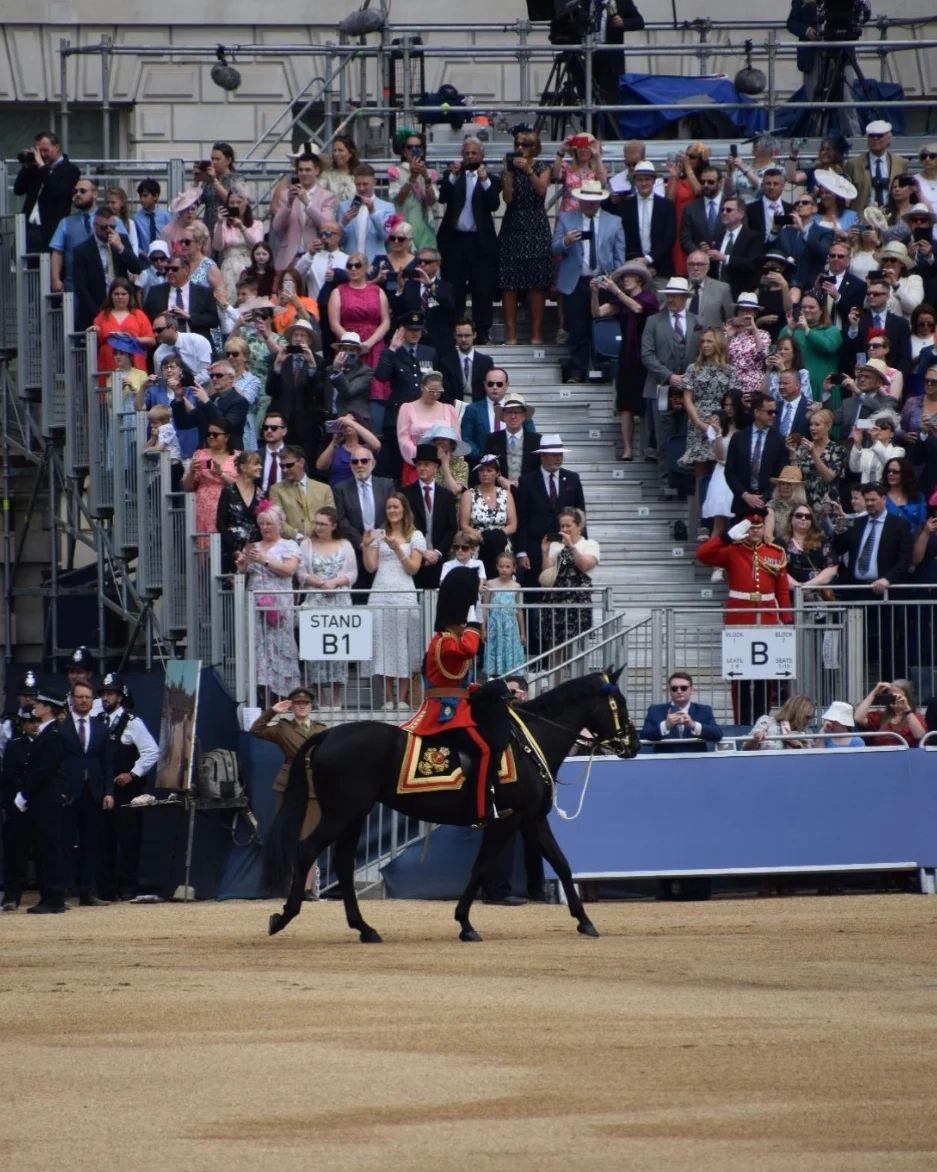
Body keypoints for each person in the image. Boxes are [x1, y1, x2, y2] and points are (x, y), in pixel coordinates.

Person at [403, 566, 512, 824]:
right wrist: (474, 620)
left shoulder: (450, 637)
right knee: (483, 749)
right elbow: (469, 650)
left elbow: (457, 680)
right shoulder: (445, 640)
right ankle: (481, 810)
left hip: (455, 703)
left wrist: (486, 690)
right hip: (444, 713)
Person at [696, 510, 793, 722]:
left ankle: (762, 720)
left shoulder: (775, 552)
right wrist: (727, 536)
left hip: (767, 616)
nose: (755, 531)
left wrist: (786, 619)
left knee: (764, 677)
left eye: (758, 527)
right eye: (750, 527)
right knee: (739, 676)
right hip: (739, 617)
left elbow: (782, 590)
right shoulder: (732, 550)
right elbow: (703, 554)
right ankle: (741, 722)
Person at [250, 689, 327, 892]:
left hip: (314, 786)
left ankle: (307, 887)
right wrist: (272, 711)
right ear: (291, 707)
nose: (302, 706)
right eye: (297, 703)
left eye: (306, 703)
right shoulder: (282, 728)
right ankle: (293, 884)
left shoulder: (322, 729)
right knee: (289, 835)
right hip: (289, 784)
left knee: (310, 838)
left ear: (311, 707)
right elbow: (256, 730)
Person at [552, 176, 625, 383]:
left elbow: (620, 256)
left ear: (600, 201)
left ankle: (602, 369)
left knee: (602, 325)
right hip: (575, 281)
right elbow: (554, 248)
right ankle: (577, 371)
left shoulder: (614, 221)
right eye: (587, 200)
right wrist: (565, 241)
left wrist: (615, 282)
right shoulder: (567, 218)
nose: (591, 204)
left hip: (603, 281)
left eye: (594, 201)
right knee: (576, 328)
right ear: (580, 200)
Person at [97, 674, 160, 903]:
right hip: (105, 788)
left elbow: (152, 751)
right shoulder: (98, 720)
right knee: (104, 839)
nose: (106, 697)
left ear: (120, 697)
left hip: (125, 789)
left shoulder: (132, 722)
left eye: (110, 693)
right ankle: (106, 888)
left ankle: (128, 886)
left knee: (128, 838)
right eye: (104, 693)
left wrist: (133, 773)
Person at [361, 492, 425, 709]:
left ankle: (404, 698)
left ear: (404, 509)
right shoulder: (381, 535)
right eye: (389, 507)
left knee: (404, 645)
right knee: (381, 645)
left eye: (396, 507)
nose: (392, 511)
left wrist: (397, 549)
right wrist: (367, 545)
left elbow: (413, 568)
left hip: (404, 593)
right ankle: (388, 698)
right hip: (380, 592)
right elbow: (371, 567)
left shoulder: (415, 535)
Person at [437, 137, 503, 344]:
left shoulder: (491, 179)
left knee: (482, 287)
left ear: (482, 156)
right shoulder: (453, 175)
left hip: (480, 241)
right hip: (455, 240)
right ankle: (453, 330)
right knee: (453, 287)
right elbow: (443, 198)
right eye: (466, 153)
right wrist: (453, 177)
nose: (470, 157)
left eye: (474, 153)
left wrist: (484, 180)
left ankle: (482, 332)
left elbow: (493, 204)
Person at [591, 261, 659, 461]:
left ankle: (648, 447)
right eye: (623, 278)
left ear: (639, 279)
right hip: (627, 357)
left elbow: (638, 308)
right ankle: (628, 448)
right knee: (625, 406)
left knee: (645, 405)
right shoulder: (622, 301)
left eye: (629, 277)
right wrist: (594, 293)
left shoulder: (649, 298)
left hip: (646, 357)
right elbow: (598, 313)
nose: (625, 280)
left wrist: (615, 290)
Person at [9, 688, 70, 914]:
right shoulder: (46, 733)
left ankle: (54, 897)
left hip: (47, 798)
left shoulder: (53, 734)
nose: (36, 706)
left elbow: (43, 769)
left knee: (49, 847)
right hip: (41, 798)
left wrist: (24, 792)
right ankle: (48, 895)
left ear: (48, 708)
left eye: (40, 704)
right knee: (43, 847)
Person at [235, 502, 301, 702]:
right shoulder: (253, 546)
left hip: (279, 605)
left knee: (281, 645)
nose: (265, 528)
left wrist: (264, 560)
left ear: (280, 524)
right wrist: (241, 566)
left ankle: (284, 693)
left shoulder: (289, 545)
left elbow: (289, 570)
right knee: (257, 646)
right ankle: (261, 691)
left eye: (269, 524)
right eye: (262, 524)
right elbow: (242, 573)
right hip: (255, 603)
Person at [59, 680, 114, 906]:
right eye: (80, 697)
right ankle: (63, 890)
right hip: (68, 792)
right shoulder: (61, 727)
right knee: (65, 843)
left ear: (93, 701)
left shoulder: (101, 728)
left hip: (93, 792)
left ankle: (86, 891)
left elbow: (107, 763)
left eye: (88, 697)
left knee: (91, 843)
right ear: (72, 699)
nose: (84, 701)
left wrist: (108, 791)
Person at [640, 276, 701, 478]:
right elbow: (646, 355)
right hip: (662, 387)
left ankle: (684, 480)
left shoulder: (697, 321)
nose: (671, 299)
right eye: (669, 295)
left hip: (690, 389)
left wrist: (691, 378)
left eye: (675, 296)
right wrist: (669, 376)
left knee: (687, 433)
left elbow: (704, 354)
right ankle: (665, 480)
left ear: (685, 297)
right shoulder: (653, 321)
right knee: (663, 434)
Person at [297, 508, 358, 707]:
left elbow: (352, 573)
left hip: (339, 605)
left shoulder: (345, 544)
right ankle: (322, 700)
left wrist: (336, 582)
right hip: (315, 604)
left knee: (339, 654)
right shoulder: (306, 544)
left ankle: (338, 700)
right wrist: (320, 583)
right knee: (317, 654)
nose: (318, 527)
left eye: (323, 524)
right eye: (316, 523)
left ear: (333, 525)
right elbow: (301, 574)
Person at [498, 127, 551, 346]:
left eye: (525, 145)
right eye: (518, 145)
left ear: (534, 147)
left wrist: (528, 170)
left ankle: (536, 335)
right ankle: (511, 335)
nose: (520, 148)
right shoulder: (509, 167)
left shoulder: (542, 166)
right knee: (509, 282)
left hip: (536, 225)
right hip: (513, 224)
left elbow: (541, 191)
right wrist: (509, 174)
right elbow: (507, 198)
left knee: (537, 284)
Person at [678, 328, 741, 512]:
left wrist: (725, 423)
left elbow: (734, 398)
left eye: (709, 341)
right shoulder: (693, 368)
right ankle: (702, 520)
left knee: (721, 469)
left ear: (719, 343)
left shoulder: (730, 370)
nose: (705, 345)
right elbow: (687, 399)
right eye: (703, 341)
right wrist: (699, 423)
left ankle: (720, 515)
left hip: (723, 422)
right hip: (699, 423)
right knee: (701, 473)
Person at [538, 506, 600, 654]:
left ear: (579, 527)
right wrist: (545, 553)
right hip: (556, 602)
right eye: (562, 526)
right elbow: (547, 575)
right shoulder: (555, 546)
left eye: (568, 525)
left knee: (578, 650)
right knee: (556, 650)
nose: (564, 529)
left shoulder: (590, 544)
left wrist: (571, 547)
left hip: (578, 603)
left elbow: (585, 565)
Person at [72, 208, 143, 332]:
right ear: (94, 226)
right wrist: (100, 313)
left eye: (112, 227)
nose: (108, 231)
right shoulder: (81, 251)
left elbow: (136, 268)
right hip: (95, 310)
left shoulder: (122, 240)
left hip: (122, 307)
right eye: (104, 227)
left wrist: (121, 248)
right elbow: (81, 287)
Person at [333, 446, 393, 586]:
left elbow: (391, 515)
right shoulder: (340, 489)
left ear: (373, 463)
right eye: (355, 462)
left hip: (382, 546)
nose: (359, 465)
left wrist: (376, 539)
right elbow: (341, 520)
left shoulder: (386, 485)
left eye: (364, 461)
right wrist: (362, 542)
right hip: (355, 549)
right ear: (350, 465)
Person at [402, 443, 458, 590]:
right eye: (419, 464)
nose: (422, 468)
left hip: (439, 559)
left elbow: (452, 527)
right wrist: (422, 551)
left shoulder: (446, 496)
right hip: (414, 558)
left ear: (436, 467)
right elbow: (404, 525)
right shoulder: (405, 494)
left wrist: (438, 552)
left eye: (426, 464)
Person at [14, 129, 81, 252]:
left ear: (56, 147)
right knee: (26, 268)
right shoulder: (36, 168)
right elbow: (18, 190)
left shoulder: (70, 169)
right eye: (39, 151)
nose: (42, 154)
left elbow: (56, 190)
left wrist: (42, 166)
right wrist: (26, 168)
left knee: (49, 269)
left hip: (52, 230)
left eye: (45, 150)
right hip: (29, 229)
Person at [723, 392, 787, 518]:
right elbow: (729, 471)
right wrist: (745, 495)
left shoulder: (779, 440)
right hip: (742, 503)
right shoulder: (738, 437)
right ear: (757, 412)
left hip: (768, 504)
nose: (773, 415)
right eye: (769, 412)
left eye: (775, 412)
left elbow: (780, 474)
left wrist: (765, 497)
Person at [272, 151, 337, 273]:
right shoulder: (286, 195)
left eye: (308, 170)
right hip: (289, 259)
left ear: (317, 170)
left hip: (316, 258)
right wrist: (288, 204)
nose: (303, 173)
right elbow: (277, 227)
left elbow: (326, 225)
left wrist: (307, 202)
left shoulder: (327, 196)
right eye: (300, 170)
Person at [397, 370, 461, 486]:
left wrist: (444, 458)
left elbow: (456, 438)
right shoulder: (407, 408)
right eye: (431, 391)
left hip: (443, 464)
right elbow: (404, 440)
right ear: (422, 387)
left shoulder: (449, 409)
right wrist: (423, 457)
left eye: (439, 391)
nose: (435, 394)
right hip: (416, 464)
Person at [459, 454, 518, 579]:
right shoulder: (469, 494)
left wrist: (497, 535)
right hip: (477, 543)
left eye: (489, 470)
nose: (485, 473)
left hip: (501, 544)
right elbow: (464, 524)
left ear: (497, 474)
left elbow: (513, 525)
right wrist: (482, 536)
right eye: (482, 470)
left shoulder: (506, 494)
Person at [779, 292, 843, 404]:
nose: (807, 310)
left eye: (811, 307)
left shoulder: (831, 330)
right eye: (804, 307)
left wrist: (807, 331)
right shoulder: (793, 329)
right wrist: (789, 330)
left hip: (823, 388)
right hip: (796, 388)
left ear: (822, 310)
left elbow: (829, 347)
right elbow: (777, 350)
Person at [616, 160, 676, 278]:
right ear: (634, 182)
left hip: (661, 269)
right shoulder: (625, 206)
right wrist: (637, 263)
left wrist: (649, 259)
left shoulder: (666, 205)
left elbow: (669, 237)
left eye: (647, 179)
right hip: (633, 270)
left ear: (654, 181)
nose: (644, 183)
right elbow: (623, 239)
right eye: (640, 179)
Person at [640, 671, 723, 753]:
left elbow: (717, 735)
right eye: (674, 688)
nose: (679, 691)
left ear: (691, 690)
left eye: (683, 688)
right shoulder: (655, 710)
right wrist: (665, 726)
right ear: (670, 690)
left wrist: (693, 725)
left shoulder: (704, 710)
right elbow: (643, 737)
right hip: (665, 762)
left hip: (695, 762)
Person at [181, 417, 237, 535]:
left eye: (215, 434)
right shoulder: (200, 454)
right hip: (204, 509)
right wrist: (191, 471)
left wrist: (221, 474)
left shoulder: (238, 457)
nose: (211, 437)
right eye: (209, 434)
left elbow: (240, 487)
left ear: (226, 437)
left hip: (229, 507)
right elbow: (188, 488)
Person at [268, 445, 335, 541]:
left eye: (289, 465)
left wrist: (318, 536)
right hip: (292, 545)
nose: (284, 470)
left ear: (301, 462)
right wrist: (298, 536)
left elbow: (331, 517)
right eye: (282, 466)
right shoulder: (276, 490)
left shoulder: (324, 489)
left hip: (321, 543)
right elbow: (277, 520)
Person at [388, 128, 439, 251]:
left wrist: (425, 177)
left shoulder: (431, 173)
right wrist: (413, 177)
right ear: (404, 151)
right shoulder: (396, 171)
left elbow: (432, 201)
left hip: (424, 229)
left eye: (418, 147)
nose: (414, 150)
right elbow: (399, 200)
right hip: (401, 228)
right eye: (410, 147)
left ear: (422, 150)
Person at [93, 277, 155, 375]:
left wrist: (134, 339)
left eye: (123, 294)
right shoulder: (102, 315)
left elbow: (151, 340)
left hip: (135, 363)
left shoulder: (138, 314)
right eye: (116, 294)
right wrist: (94, 331)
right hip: (108, 363)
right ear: (111, 296)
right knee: (109, 389)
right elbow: (96, 340)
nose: (120, 297)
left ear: (129, 296)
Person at [845, 121, 909, 214]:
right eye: (872, 136)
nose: (875, 139)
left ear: (888, 139)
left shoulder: (900, 163)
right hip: (862, 218)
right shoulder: (853, 164)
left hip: (892, 217)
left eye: (879, 136)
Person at [216, 450, 264, 574]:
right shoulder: (228, 492)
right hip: (232, 551)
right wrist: (234, 549)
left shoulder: (261, 493)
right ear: (243, 467)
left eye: (260, 464)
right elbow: (220, 523)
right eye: (256, 464)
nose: (260, 467)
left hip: (255, 552)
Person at [482, 392, 540, 489]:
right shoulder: (492, 439)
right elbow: (486, 465)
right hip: (499, 491)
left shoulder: (536, 440)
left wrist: (523, 482)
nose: (513, 416)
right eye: (509, 412)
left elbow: (540, 469)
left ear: (524, 416)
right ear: (503, 416)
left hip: (529, 492)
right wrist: (500, 478)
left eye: (517, 412)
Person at [481, 551, 526, 677]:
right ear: (497, 567)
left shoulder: (516, 586)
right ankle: (494, 677)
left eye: (507, 567)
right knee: (495, 648)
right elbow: (485, 607)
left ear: (514, 568)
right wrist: (483, 628)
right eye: (501, 566)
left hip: (511, 626)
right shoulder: (490, 584)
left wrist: (522, 632)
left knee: (510, 649)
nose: (504, 570)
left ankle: (511, 678)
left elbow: (519, 610)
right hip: (495, 625)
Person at [315, 413, 381, 491]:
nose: (347, 425)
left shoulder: (366, 448)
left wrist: (350, 423)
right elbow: (320, 466)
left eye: (352, 421)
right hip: (339, 493)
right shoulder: (336, 448)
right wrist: (334, 442)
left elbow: (377, 445)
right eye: (344, 423)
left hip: (362, 491)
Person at [783, 503, 839, 597]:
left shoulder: (822, 541)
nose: (803, 518)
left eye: (808, 516)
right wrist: (797, 588)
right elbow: (777, 569)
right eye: (799, 515)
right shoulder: (781, 542)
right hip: (790, 597)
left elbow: (832, 568)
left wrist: (807, 586)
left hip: (818, 599)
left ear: (812, 521)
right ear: (791, 518)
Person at [854, 680, 927, 747]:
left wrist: (907, 709)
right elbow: (858, 718)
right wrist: (874, 693)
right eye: (890, 695)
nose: (893, 698)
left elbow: (920, 736)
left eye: (897, 696)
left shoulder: (915, 717)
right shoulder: (881, 716)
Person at [848, 410, 903, 485]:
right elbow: (854, 468)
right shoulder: (866, 452)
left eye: (883, 428)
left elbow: (890, 466)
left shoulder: (898, 450)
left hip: (885, 493)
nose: (879, 430)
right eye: (877, 427)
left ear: (892, 434)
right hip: (866, 493)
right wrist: (857, 443)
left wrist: (876, 440)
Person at [745, 695, 816, 750]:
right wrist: (755, 739)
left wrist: (797, 744)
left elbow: (810, 760)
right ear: (795, 714)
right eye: (807, 717)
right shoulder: (766, 722)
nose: (809, 721)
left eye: (811, 718)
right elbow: (745, 749)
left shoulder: (807, 732)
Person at [882, 457, 927, 535]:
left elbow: (921, 525)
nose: (890, 474)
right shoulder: (881, 496)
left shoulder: (918, 497)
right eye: (888, 471)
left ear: (905, 474)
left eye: (895, 472)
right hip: (887, 542)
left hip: (912, 542)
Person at [764, 464, 808, 545]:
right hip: (779, 549)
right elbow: (767, 536)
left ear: (797, 487)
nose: (785, 487)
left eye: (789, 484)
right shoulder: (772, 505)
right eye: (782, 484)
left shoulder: (803, 507)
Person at [453, 318, 493, 401]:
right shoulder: (446, 362)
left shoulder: (486, 362)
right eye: (460, 336)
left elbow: (489, 389)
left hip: (479, 409)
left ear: (474, 335)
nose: (463, 339)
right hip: (454, 409)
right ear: (455, 336)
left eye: (467, 335)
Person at [319, 134, 359, 203]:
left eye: (340, 150)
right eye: (334, 150)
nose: (336, 154)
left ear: (350, 153)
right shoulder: (327, 175)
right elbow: (318, 196)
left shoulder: (359, 174)